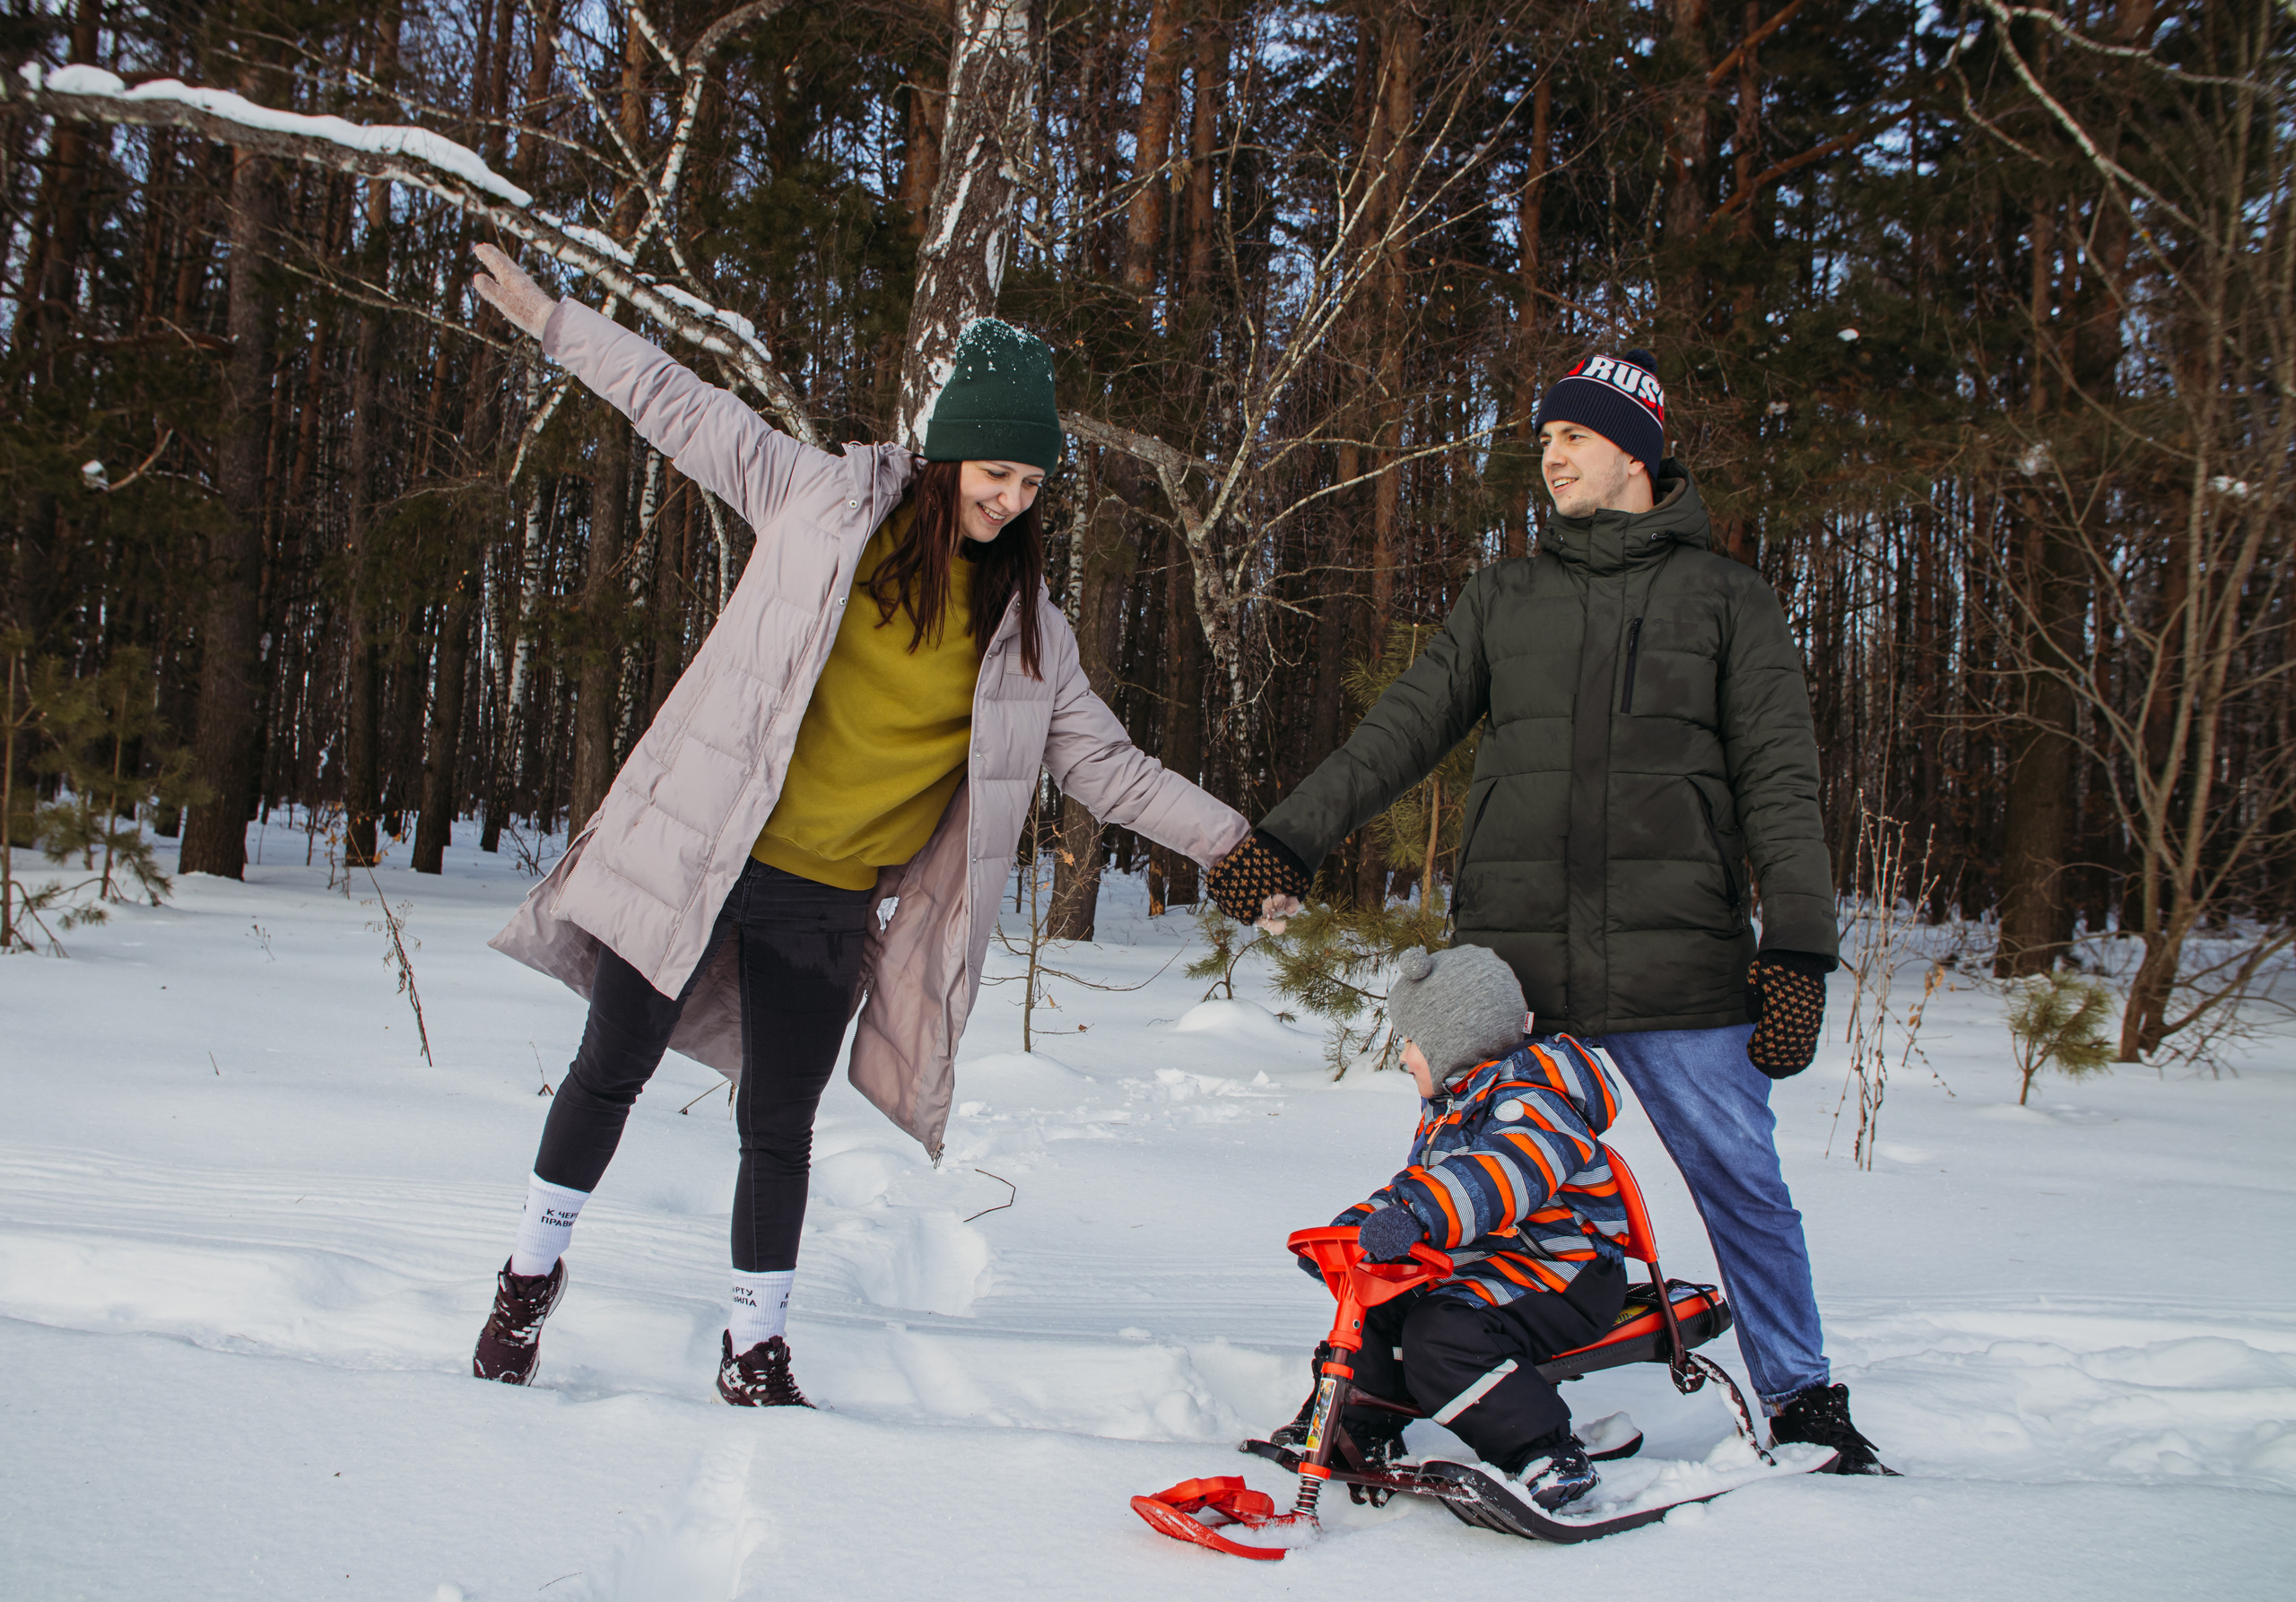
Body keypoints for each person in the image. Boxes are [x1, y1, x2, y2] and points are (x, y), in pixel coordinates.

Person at [464, 243, 1250, 1405]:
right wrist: (553, 321)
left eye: (1032, 484)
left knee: (779, 1121)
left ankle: (754, 1345)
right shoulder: (820, 498)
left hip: (825, 898)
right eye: (994, 472)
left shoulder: (1031, 634)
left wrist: (1237, 847)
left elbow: (1115, 771)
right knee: (610, 1066)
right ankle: (527, 1281)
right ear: (946, 453)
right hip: (697, 850)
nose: (1011, 499)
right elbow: (678, 405)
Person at [1210, 349, 1891, 1472]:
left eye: (1572, 436)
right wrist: (1284, 834)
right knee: (1465, 1186)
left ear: (1635, 447)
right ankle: (1380, 1396)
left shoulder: (1727, 599)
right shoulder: (1505, 598)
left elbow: (1781, 781)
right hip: (1518, 970)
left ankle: (1803, 1396)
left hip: (1682, 968)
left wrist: (1800, 951)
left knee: (1743, 1187)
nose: (1551, 456)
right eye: (1542, 441)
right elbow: (1402, 729)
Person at [1284, 944, 1630, 1514]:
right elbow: (1416, 1184)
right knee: (1372, 1297)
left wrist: (1418, 1216)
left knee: (1439, 1334)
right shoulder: (1455, 1104)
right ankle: (1360, 1422)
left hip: (1564, 1271)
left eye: (1411, 1040)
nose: (1404, 1056)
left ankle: (1544, 1450)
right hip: (1486, 1264)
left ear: (1454, 1036)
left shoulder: (1536, 1101)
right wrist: (1353, 1234)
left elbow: (1500, 1175)